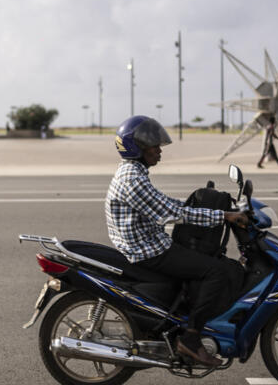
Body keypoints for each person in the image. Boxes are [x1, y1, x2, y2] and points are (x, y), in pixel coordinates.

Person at [106, 115, 248, 367]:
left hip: (147, 243)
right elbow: (171, 213)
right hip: (148, 251)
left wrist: (198, 206)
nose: (159, 151)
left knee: (201, 260)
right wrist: (223, 215)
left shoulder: (134, 171)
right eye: (154, 146)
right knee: (216, 271)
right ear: (137, 147)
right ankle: (191, 339)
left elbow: (164, 203)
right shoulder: (132, 179)